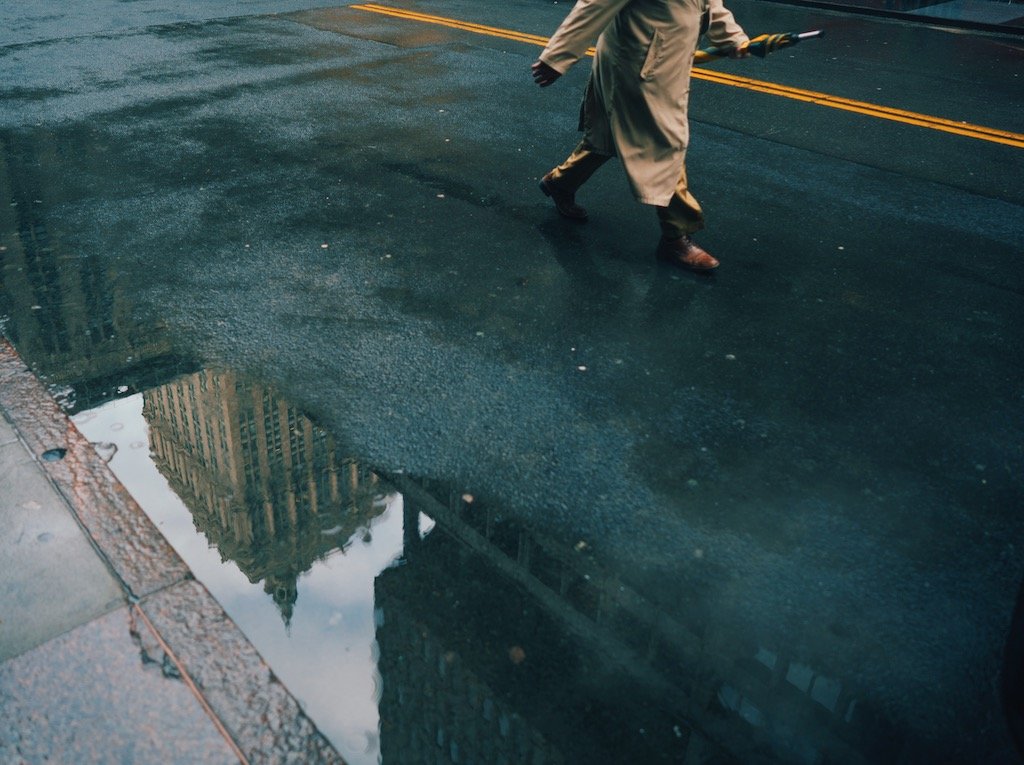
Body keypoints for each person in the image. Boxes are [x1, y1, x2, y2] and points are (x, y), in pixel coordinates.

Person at [533, 0, 749, 272]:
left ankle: (560, 183)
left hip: (665, 64)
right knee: (665, 144)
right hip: (634, 67)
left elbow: (709, 4)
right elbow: (593, 5)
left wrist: (733, 38)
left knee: (609, 138)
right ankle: (676, 236)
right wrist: (557, 57)